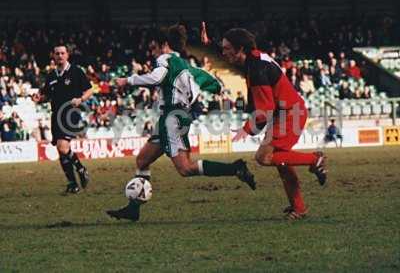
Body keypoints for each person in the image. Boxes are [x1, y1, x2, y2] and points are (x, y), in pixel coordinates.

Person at [106, 25, 256, 222]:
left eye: (153, 48)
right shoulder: (187, 66)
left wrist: (128, 80)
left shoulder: (164, 59)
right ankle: (134, 209)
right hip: (175, 117)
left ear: (164, 45)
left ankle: (235, 168)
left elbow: (157, 77)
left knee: (185, 169)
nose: (152, 53)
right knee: (142, 161)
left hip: (172, 118)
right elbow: (215, 84)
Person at [221, 28, 328, 220]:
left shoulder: (255, 68)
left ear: (240, 48)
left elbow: (265, 108)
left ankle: (315, 160)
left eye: (227, 48)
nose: (223, 52)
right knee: (282, 162)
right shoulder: (254, 59)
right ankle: (299, 208)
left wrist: (247, 129)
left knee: (264, 157)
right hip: (288, 112)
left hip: (289, 114)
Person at [33, 46, 92, 194]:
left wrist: (80, 99)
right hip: (56, 115)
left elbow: (89, 89)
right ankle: (73, 184)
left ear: (67, 55)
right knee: (61, 152)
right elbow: (46, 95)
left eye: (62, 53)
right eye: (57, 53)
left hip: (70, 113)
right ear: (53, 55)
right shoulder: (52, 75)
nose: (59, 56)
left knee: (63, 147)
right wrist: (39, 99)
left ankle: (81, 169)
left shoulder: (76, 71)